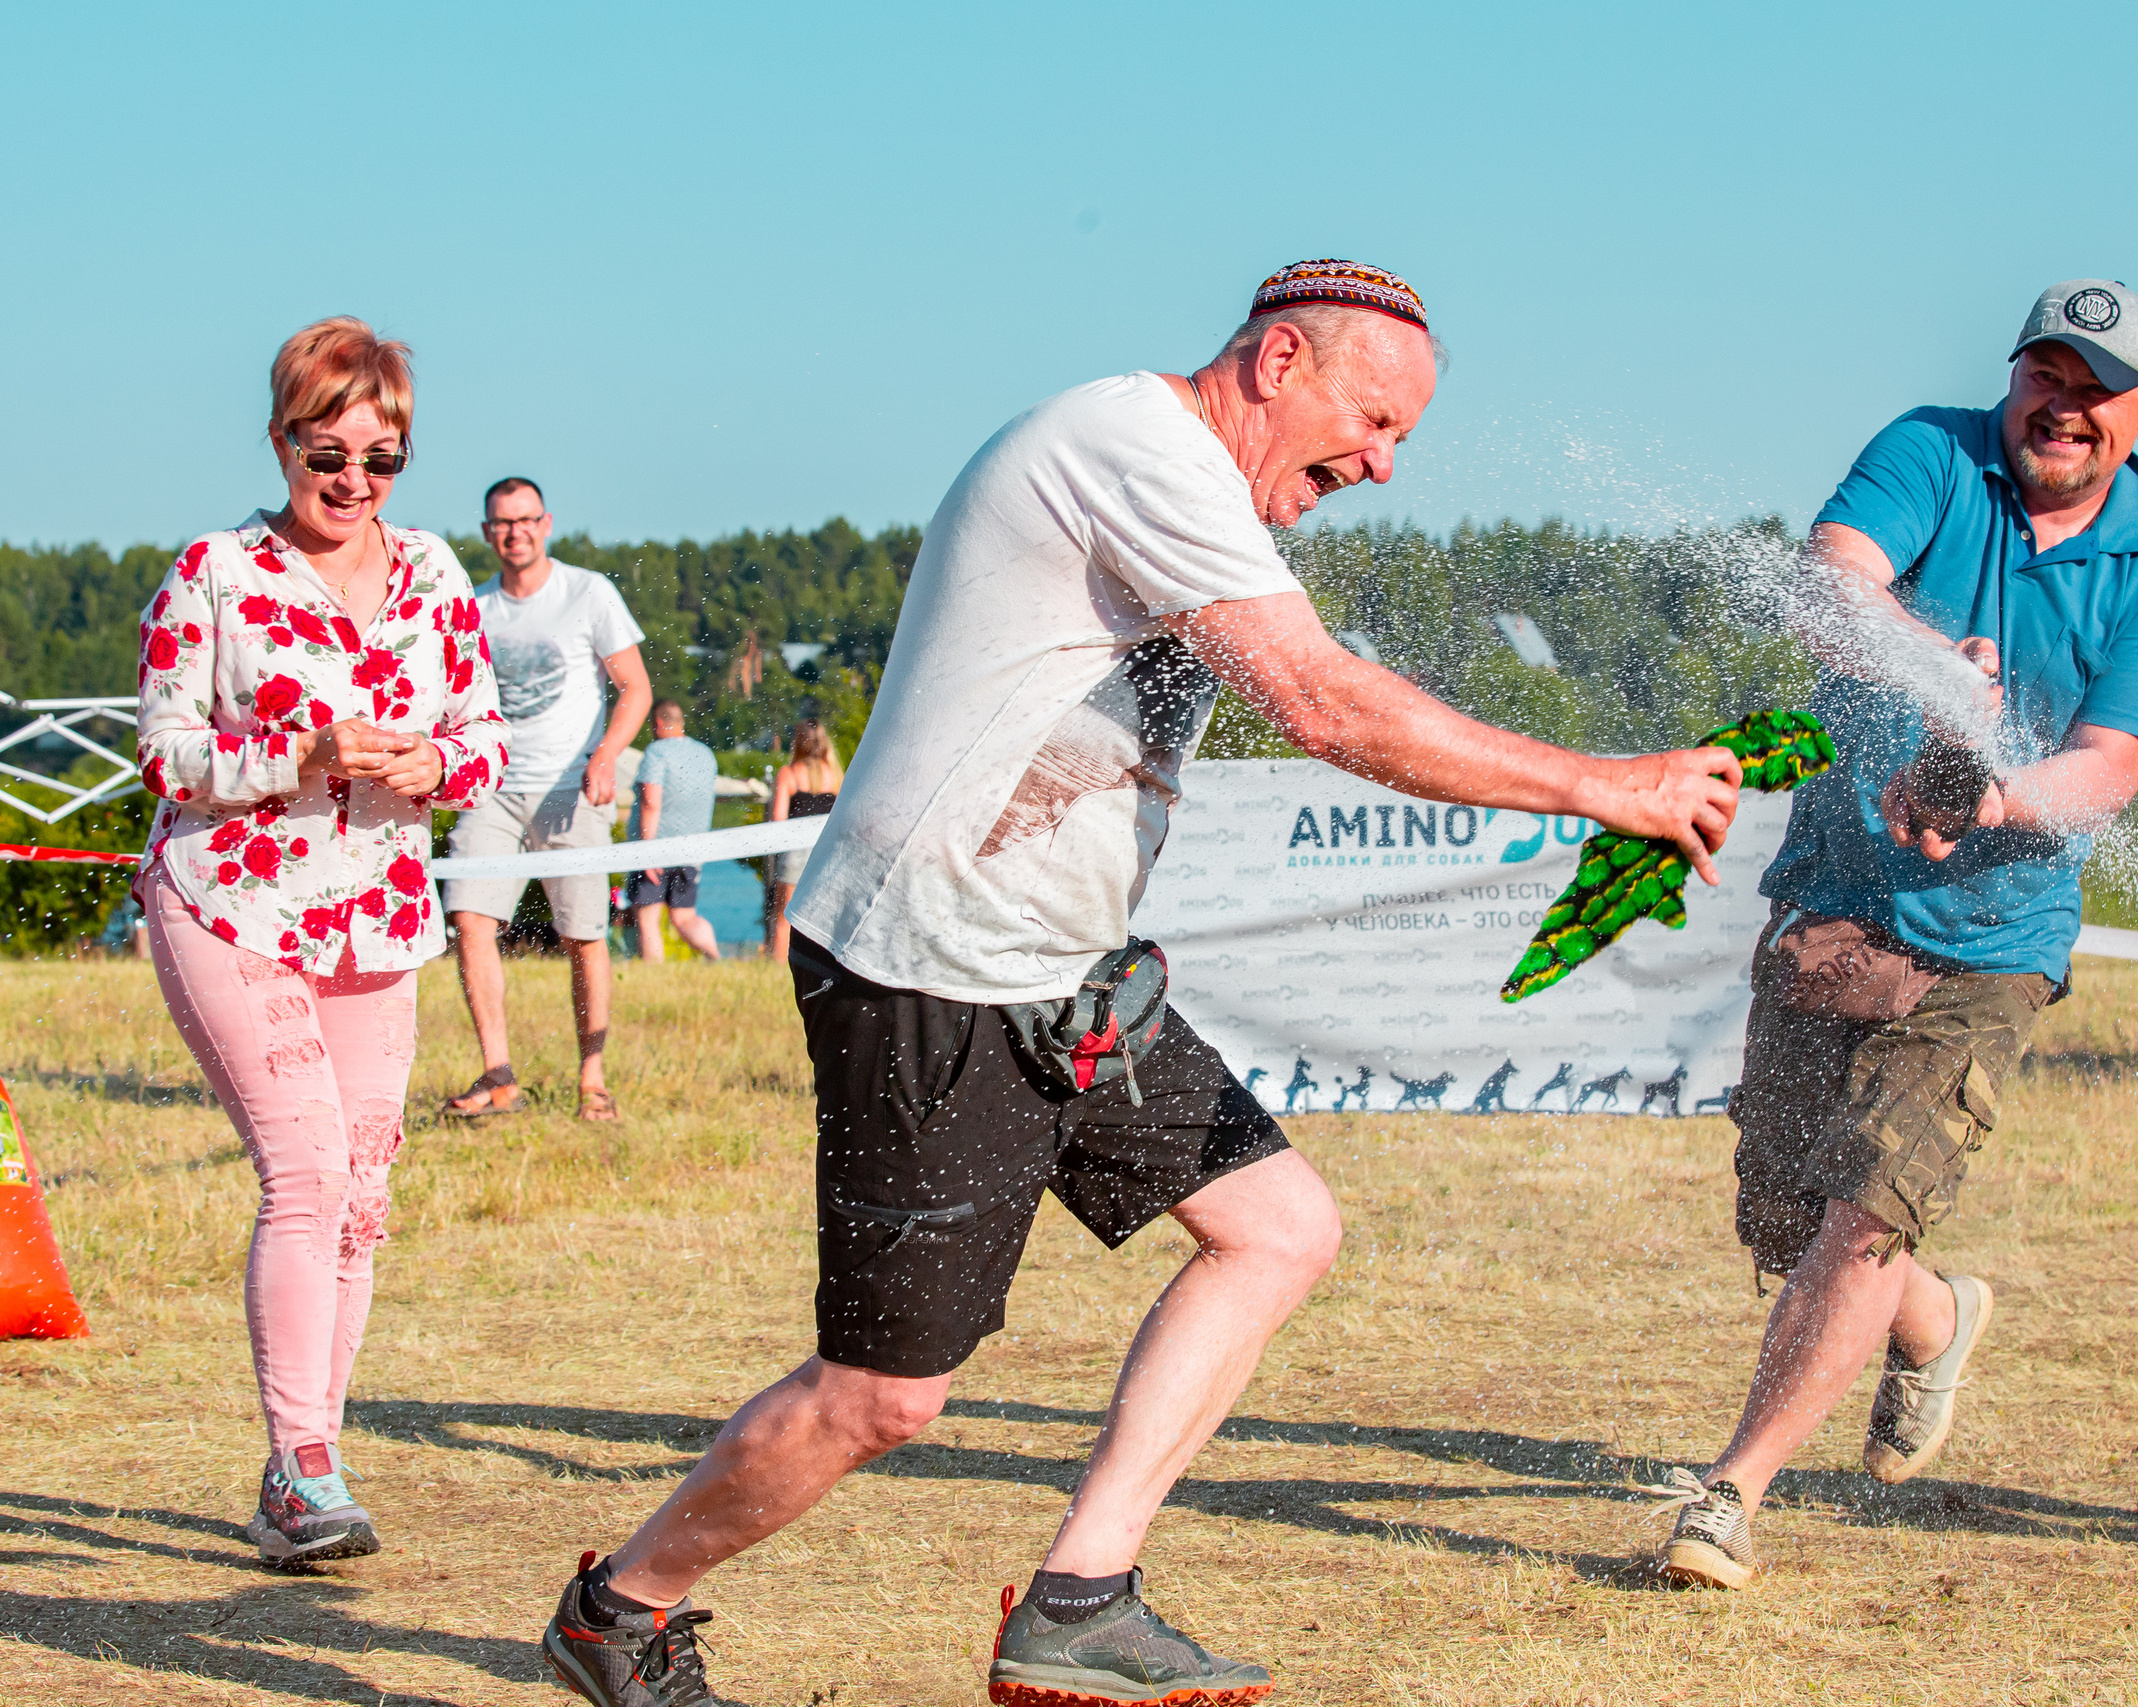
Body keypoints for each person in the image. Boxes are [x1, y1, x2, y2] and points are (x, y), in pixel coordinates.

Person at [538, 259, 1744, 1707]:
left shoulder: (1199, 488)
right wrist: (1607, 784)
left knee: (1277, 1229)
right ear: (1277, 362)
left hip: (1062, 975)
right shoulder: (1135, 446)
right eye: (1373, 421)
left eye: (1402, 439)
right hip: (935, 974)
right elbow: (1323, 703)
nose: (1382, 464)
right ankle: (619, 1609)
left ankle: (1080, 1598)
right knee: (883, 1394)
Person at [1649, 281, 2138, 1590]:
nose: (2060, 406)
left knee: (1863, 1208)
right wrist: (1937, 669)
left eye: (2094, 389)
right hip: (1836, 898)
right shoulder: (1932, 452)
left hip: (1993, 936)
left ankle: (1729, 1493)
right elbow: (1826, 585)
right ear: (2012, 378)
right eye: (2043, 375)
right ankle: (1936, 1315)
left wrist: (1990, 797)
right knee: (1789, 1214)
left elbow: (2110, 766)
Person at [134, 316, 508, 1566]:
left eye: (381, 458)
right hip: (231, 904)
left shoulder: (436, 574)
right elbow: (164, 754)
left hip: (376, 919)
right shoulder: (214, 573)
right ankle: (303, 1468)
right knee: (304, 1176)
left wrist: (436, 761)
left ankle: (306, 1466)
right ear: (281, 440)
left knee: (362, 1199)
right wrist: (297, 754)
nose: (354, 481)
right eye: (327, 452)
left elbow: (486, 738)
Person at [439, 477, 649, 1122]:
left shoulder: (588, 592)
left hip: (572, 788)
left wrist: (605, 756)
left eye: (526, 520)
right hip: (491, 788)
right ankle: (498, 1075)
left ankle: (592, 1078)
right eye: (504, 523)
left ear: (547, 523)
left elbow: (635, 688)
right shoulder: (473, 606)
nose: (516, 533)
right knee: (470, 920)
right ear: (487, 532)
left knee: (583, 934)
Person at [627, 698, 721, 962]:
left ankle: (654, 975)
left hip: (657, 847)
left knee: (648, 917)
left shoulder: (656, 753)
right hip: (692, 849)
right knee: (684, 916)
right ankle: (714, 957)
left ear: (657, 723)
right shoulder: (705, 754)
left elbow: (650, 801)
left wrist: (647, 850)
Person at [763, 718, 842, 960]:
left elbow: (778, 820)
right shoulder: (836, 775)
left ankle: (778, 965)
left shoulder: (789, 774)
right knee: (824, 918)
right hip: (825, 852)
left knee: (785, 917)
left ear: (797, 742)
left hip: (795, 852)